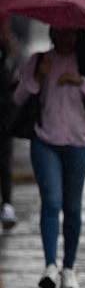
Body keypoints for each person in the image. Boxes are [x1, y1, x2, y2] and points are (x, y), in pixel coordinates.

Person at [13, 27, 85, 288]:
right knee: (51, 202)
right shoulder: (38, 60)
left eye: (71, 33)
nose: (66, 38)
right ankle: (50, 265)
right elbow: (19, 96)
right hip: (45, 142)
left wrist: (81, 82)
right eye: (61, 32)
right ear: (52, 32)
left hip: (78, 146)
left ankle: (69, 269)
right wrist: (38, 77)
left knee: (72, 207)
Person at [0, 18, 21, 230]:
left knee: (5, 161)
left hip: (4, 114)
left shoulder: (7, 45)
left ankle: (7, 203)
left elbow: (13, 78)